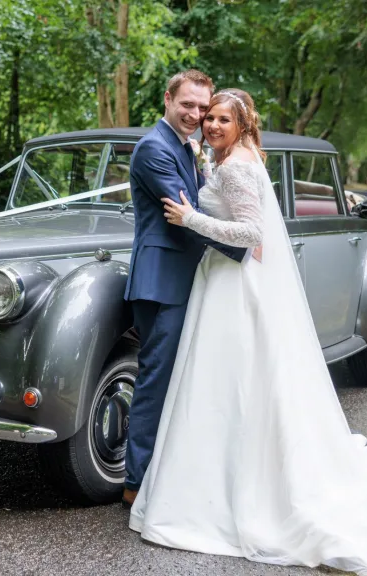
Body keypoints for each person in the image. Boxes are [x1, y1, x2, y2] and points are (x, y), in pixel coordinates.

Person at [129, 87, 367, 575]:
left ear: (242, 125)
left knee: (233, 384)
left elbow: (251, 233)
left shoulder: (238, 165)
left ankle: (228, 490)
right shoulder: (218, 157)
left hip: (230, 280)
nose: (210, 124)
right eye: (208, 118)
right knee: (220, 385)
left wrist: (193, 217)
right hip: (218, 281)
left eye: (222, 118)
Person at [122, 70, 248, 509]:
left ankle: (168, 474)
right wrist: (247, 249)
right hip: (163, 283)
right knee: (156, 382)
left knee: (184, 382)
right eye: (188, 105)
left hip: (188, 278)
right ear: (168, 99)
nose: (196, 115)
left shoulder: (187, 146)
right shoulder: (154, 149)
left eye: (202, 107)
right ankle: (135, 482)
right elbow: (185, 214)